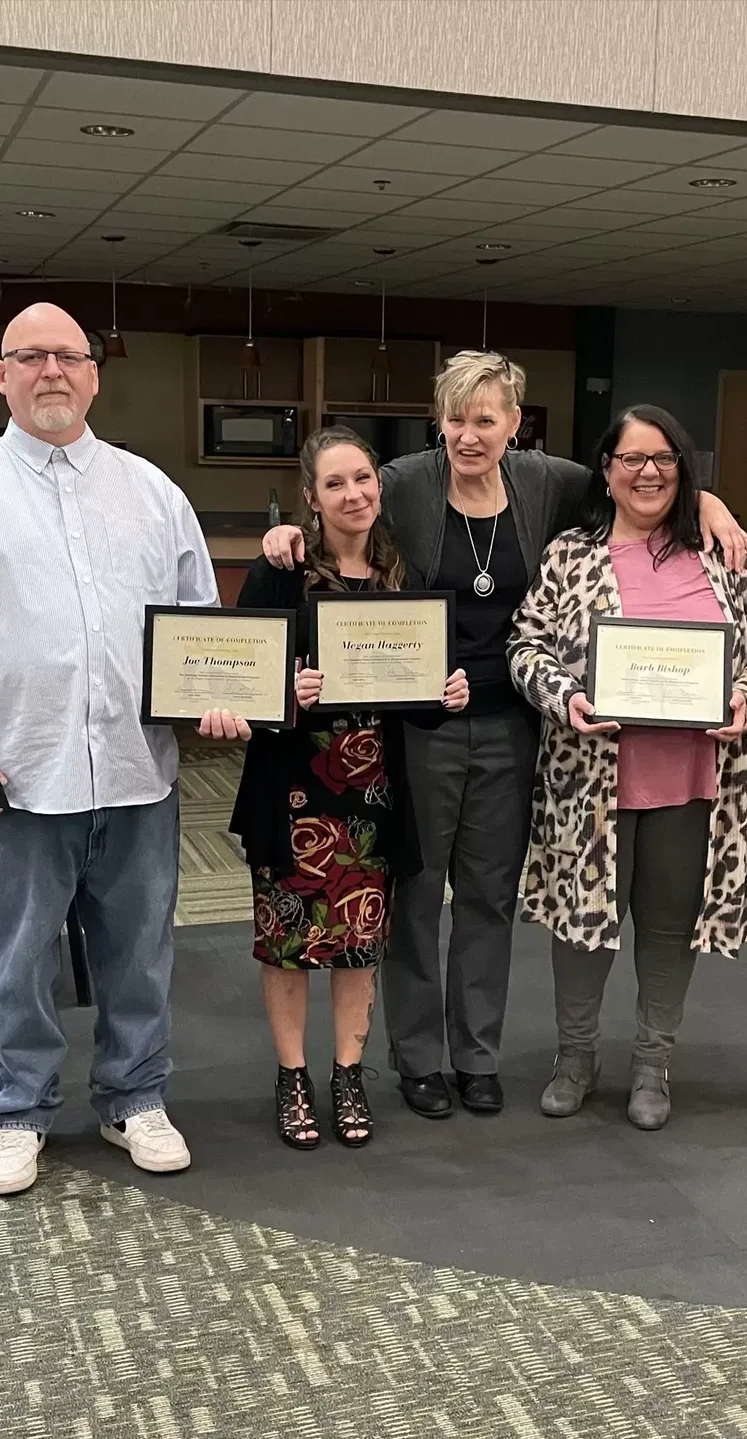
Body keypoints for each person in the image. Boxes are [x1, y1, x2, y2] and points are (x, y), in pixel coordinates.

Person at [263, 352, 747, 1119]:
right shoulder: (403, 482)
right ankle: (420, 1059)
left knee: (489, 896)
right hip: (420, 724)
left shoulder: (546, 481)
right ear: (439, 421)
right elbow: (337, 504)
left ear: (513, 424)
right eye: (455, 419)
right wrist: (285, 533)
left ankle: (477, 1056)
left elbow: (646, 479)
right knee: (418, 896)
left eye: (485, 420)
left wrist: (713, 502)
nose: (468, 435)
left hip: (514, 725)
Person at [0, 302, 214, 1197]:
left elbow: (202, 627)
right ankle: (18, 1106)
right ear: (1, 375)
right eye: (31, 357)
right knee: (14, 953)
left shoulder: (153, 493)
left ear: (96, 374)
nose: (52, 372)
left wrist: (219, 694)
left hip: (138, 772)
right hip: (15, 775)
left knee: (138, 951)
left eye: (69, 356)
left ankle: (133, 1096)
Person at [508, 406, 747, 1128]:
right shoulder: (569, 556)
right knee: (581, 929)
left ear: (683, 469)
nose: (648, 472)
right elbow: (525, 645)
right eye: (632, 459)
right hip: (590, 784)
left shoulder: (724, 552)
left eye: (664, 458)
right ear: (605, 472)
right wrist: (564, 697)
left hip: (697, 782)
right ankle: (575, 1058)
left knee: (669, 927)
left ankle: (652, 1065)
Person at [203, 426, 469, 1149]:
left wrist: (445, 691)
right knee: (286, 943)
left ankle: (348, 1074)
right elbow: (239, 678)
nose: (353, 494)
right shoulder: (282, 571)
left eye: (363, 479)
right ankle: (292, 1077)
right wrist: (286, 689)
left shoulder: (401, 573)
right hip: (292, 789)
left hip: (374, 791)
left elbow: (415, 693)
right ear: (311, 499)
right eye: (335, 484)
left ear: (379, 484)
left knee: (359, 941)